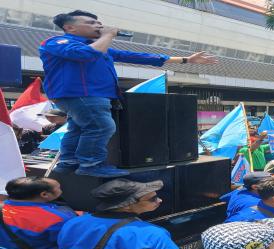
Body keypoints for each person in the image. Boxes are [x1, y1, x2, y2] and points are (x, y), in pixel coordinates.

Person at [40, 10, 218, 177]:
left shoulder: (99, 47)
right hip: (82, 94)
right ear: (69, 27)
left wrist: (186, 60)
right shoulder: (57, 43)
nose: (99, 26)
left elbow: (136, 56)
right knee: (101, 127)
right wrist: (108, 35)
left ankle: (68, 162)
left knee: (78, 128)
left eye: (100, 23)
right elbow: (86, 55)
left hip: (92, 95)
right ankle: (91, 165)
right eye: (91, 22)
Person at [57, 178, 182, 249]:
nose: (159, 200)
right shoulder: (152, 234)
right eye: (152, 199)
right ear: (126, 205)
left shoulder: (72, 223)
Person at [0, 177, 77, 249]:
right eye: (58, 188)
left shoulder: (2, 208)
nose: (61, 190)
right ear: (44, 194)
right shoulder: (56, 218)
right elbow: (71, 245)